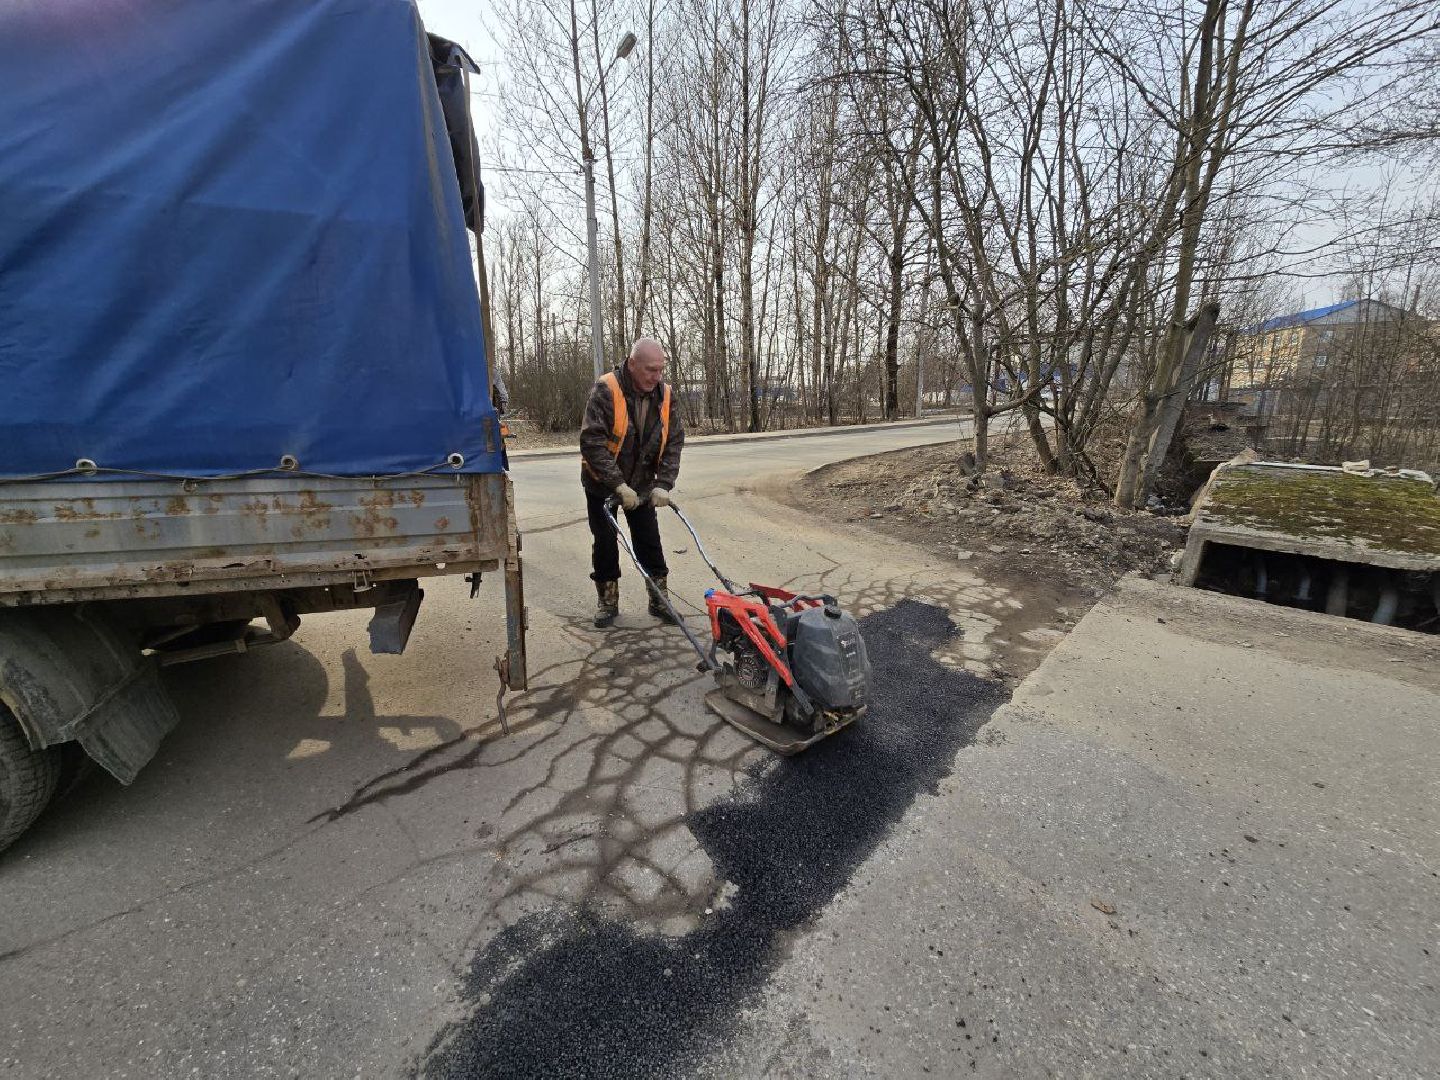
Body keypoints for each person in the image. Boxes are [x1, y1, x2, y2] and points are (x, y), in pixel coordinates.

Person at [580, 337, 685, 628]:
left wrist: (663, 483)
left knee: (649, 539)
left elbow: (674, 441)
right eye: (651, 369)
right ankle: (607, 600)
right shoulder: (606, 389)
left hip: (641, 482)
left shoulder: (665, 395)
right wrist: (617, 485)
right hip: (602, 483)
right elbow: (591, 442)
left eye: (661, 369)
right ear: (632, 363)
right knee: (605, 541)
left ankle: (658, 599)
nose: (657, 376)